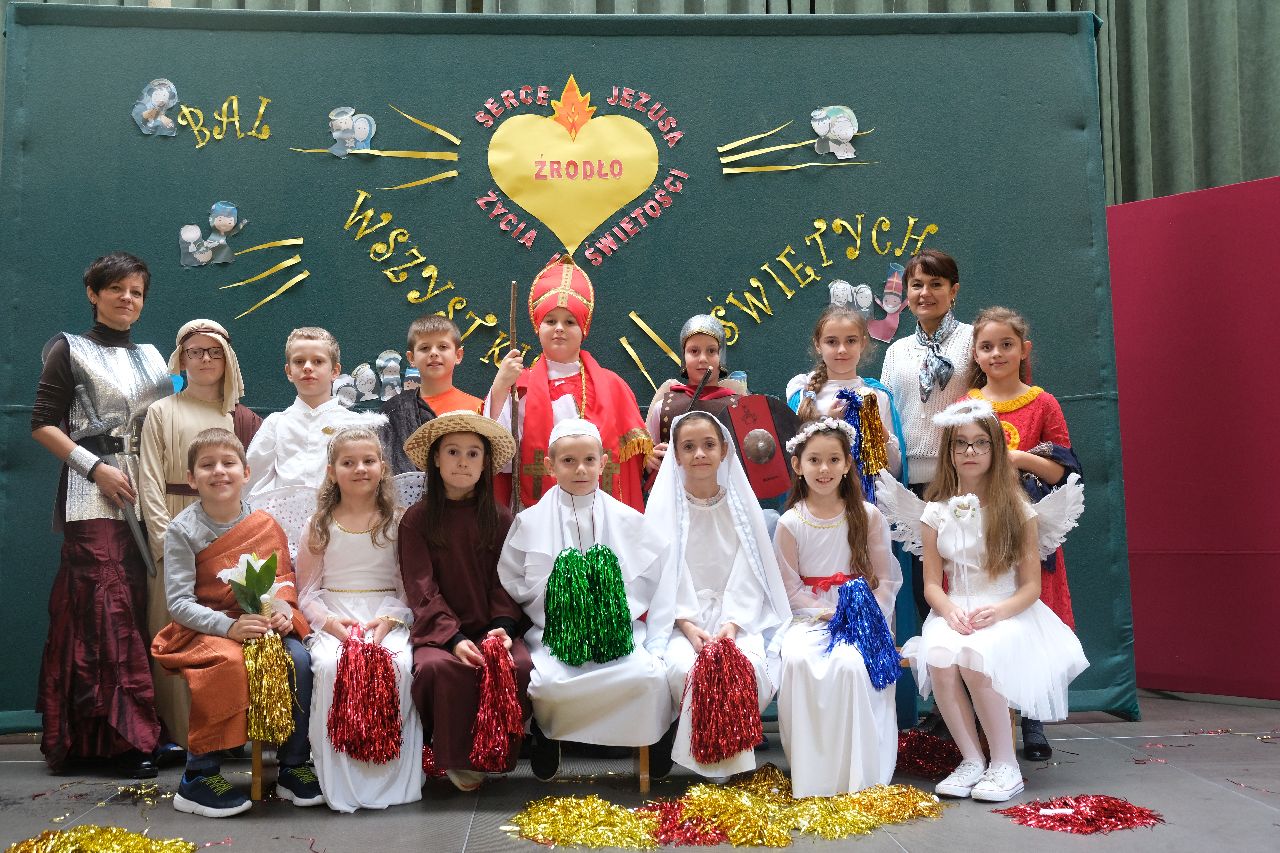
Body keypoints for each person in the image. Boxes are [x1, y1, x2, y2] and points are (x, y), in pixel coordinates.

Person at [900, 400, 1088, 803]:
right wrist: (948, 609)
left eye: (980, 442)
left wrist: (998, 611)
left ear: (995, 450)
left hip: (1007, 610)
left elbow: (1030, 588)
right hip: (953, 610)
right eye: (961, 443)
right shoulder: (935, 513)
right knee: (940, 658)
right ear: (949, 452)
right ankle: (971, 759)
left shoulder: (1018, 510)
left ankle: (1005, 764)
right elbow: (932, 584)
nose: (970, 451)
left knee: (975, 657)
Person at [30, 253, 171, 777]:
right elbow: (43, 424)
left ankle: (108, 734)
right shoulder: (68, 348)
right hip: (93, 494)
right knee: (105, 607)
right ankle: (124, 740)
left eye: (136, 291)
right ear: (93, 293)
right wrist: (96, 470)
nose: (127, 299)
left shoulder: (155, 357)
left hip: (145, 489)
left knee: (134, 606)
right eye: (116, 289)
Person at [151, 429, 323, 817]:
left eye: (228, 463)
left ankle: (294, 765)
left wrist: (282, 610)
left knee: (299, 659)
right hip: (208, 628)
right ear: (192, 478)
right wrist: (229, 628)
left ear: (246, 473)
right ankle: (199, 775)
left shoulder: (265, 524)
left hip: (261, 623)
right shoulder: (182, 530)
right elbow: (179, 603)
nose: (219, 471)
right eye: (207, 465)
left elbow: (284, 580)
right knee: (227, 664)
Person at [497, 418, 674, 780]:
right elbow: (513, 578)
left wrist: (607, 607)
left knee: (650, 677)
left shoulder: (627, 519)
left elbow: (651, 573)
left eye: (589, 460)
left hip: (616, 633)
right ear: (550, 466)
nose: (580, 469)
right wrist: (565, 602)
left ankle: (654, 739)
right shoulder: (529, 522)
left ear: (603, 463)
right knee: (546, 685)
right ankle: (547, 736)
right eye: (569, 461)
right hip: (554, 633)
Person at [965, 306, 1082, 761]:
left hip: (1030, 527)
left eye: (1006, 345)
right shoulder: (968, 405)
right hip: (981, 531)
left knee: (1033, 617)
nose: (996, 353)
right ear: (975, 354)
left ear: (1024, 349)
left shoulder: (1043, 403)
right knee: (988, 616)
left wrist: (1017, 459)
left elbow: (1064, 472)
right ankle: (990, 719)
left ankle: (1033, 718)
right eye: (987, 346)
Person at [139, 319, 262, 749]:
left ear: (228, 359)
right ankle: (179, 734)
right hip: (175, 528)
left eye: (214, 352)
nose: (205, 359)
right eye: (195, 352)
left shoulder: (241, 419)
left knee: (228, 627)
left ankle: (230, 734)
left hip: (229, 534)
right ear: (182, 359)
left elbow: (253, 485)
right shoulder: (162, 412)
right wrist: (163, 543)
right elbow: (149, 482)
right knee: (174, 628)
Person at [647, 412, 790, 778]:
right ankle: (704, 755)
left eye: (708, 445)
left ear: (724, 450)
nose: (699, 454)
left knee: (747, 667)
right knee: (685, 669)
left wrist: (733, 624)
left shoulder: (741, 509)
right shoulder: (666, 509)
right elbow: (662, 575)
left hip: (737, 618)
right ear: (676, 454)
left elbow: (751, 570)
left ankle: (727, 755)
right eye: (689, 447)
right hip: (681, 621)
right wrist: (686, 624)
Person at [398, 411, 531, 792]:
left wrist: (502, 629)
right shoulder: (417, 520)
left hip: (491, 628)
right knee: (437, 670)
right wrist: (454, 639)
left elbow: (507, 582)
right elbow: (421, 588)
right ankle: (453, 756)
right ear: (436, 460)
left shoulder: (500, 518)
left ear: (485, 463)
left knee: (521, 666)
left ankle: (495, 750)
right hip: (440, 634)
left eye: (473, 453)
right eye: (452, 452)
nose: (462, 461)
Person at [772, 418, 902, 797]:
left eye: (833, 459)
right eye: (814, 460)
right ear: (798, 465)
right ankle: (815, 774)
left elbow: (885, 581)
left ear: (847, 464)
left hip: (862, 618)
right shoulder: (790, 523)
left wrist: (862, 614)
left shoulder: (868, 516)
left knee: (850, 665)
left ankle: (857, 772)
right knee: (798, 660)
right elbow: (790, 589)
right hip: (808, 619)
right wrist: (825, 612)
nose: (824, 469)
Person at [296, 427, 423, 811]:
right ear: (332, 471)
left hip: (385, 615)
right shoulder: (319, 524)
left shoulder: (398, 521)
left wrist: (389, 619)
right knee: (330, 665)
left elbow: (408, 584)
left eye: (368, 461)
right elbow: (307, 591)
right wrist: (330, 624)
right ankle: (340, 775)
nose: (360, 469)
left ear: (382, 467)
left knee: (399, 664)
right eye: (348, 462)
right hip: (335, 616)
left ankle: (389, 774)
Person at [487, 257, 652, 511]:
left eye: (570, 321)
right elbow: (499, 456)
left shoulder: (613, 387)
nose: (559, 329)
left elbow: (630, 468)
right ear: (538, 327)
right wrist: (500, 387)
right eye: (550, 321)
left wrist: (651, 461)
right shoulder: (519, 387)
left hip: (599, 510)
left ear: (583, 329)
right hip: (539, 510)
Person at [879, 249, 974, 620]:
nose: (925, 293)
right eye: (916, 285)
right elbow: (885, 415)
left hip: (962, 480)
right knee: (924, 586)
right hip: (909, 485)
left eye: (936, 284)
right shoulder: (896, 352)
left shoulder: (973, 341)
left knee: (965, 577)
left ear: (954, 290)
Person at [246, 327, 383, 497]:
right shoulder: (275, 424)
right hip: (284, 512)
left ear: (335, 371)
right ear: (289, 371)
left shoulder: (355, 425)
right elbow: (253, 485)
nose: (307, 367)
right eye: (299, 361)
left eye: (318, 361)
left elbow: (371, 483)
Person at [786, 303, 904, 481]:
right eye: (832, 342)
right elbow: (793, 463)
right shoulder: (803, 394)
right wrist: (827, 423)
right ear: (818, 344)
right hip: (819, 495)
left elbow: (894, 471)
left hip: (870, 497)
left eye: (851, 341)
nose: (842, 349)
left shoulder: (878, 395)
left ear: (863, 343)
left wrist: (879, 431)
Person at [381, 315, 483, 475]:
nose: (434, 353)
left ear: (458, 355)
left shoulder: (477, 408)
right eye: (424, 348)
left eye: (443, 347)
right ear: (411, 358)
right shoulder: (393, 410)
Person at [644, 315, 747, 474]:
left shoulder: (741, 407)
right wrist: (648, 460)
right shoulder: (663, 407)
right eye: (694, 351)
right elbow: (646, 461)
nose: (703, 359)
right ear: (684, 356)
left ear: (720, 357)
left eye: (711, 351)